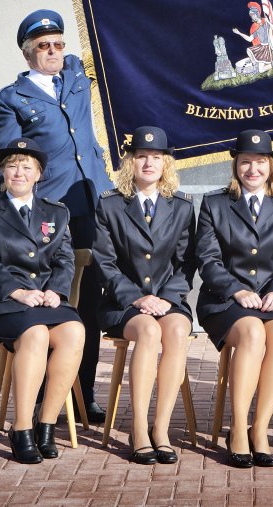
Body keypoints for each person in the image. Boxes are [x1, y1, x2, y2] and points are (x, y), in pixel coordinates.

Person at [0, 9, 113, 423]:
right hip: (49, 217)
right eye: (44, 46)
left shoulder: (78, 72)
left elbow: (114, 41)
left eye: (59, 44)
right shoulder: (11, 99)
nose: (54, 52)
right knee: (51, 303)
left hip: (92, 207)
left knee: (89, 305)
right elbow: (6, 162)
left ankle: (85, 393)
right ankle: (48, 397)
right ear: (28, 54)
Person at [0, 138, 85, 464]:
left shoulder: (56, 212)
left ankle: (45, 425)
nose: (18, 172)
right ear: (3, 172)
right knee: (35, 334)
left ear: (38, 174)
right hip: (3, 302)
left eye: (26, 166)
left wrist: (57, 291)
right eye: (12, 166)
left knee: (75, 332)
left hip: (45, 300)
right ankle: (21, 429)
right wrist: (17, 292)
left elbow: (64, 260)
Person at [195, 129, 273, 468]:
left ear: (271, 166)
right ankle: (239, 428)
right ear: (235, 165)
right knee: (253, 332)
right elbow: (207, 261)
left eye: (260, 162)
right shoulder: (215, 204)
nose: (252, 169)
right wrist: (237, 290)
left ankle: (260, 429)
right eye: (245, 162)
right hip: (224, 299)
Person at [93, 126, 196, 465]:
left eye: (156, 157)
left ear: (166, 163)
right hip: (122, 303)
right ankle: (138, 428)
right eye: (141, 157)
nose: (149, 163)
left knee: (177, 329)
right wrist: (138, 298)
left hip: (168, 300)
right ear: (130, 162)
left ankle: (160, 429)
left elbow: (186, 262)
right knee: (149, 331)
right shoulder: (110, 205)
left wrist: (167, 297)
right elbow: (104, 262)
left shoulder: (182, 206)